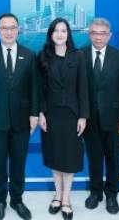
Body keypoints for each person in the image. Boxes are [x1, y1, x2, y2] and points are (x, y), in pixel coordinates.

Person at [0, 13, 38, 220]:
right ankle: (0, 199)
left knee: (19, 162)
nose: (9, 32)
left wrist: (34, 114)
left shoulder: (29, 55)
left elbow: (34, 88)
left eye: (12, 27)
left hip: (22, 119)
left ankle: (17, 199)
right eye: (4, 28)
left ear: (18, 30)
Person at [37, 17, 88, 220]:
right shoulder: (43, 56)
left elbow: (83, 88)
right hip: (51, 114)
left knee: (70, 157)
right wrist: (41, 113)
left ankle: (66, 199)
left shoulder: (78, 56)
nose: (60, 34)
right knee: (55, 156)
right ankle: (57, 196)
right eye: (56, 31)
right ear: (51, 34)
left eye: (64, 31)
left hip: (72, 114)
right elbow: (40, 88)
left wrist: (83, 116)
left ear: (68, 34)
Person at [81, 18, 119, 215]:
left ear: (109, 35)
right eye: (94, 33)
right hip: (89, 119)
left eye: (102, 33)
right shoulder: (80, 55)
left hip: (114, 118)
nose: (98, 37)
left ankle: (112, 195)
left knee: (113, 159)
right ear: (89, 34)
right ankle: (95, 193)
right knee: (94, 158)